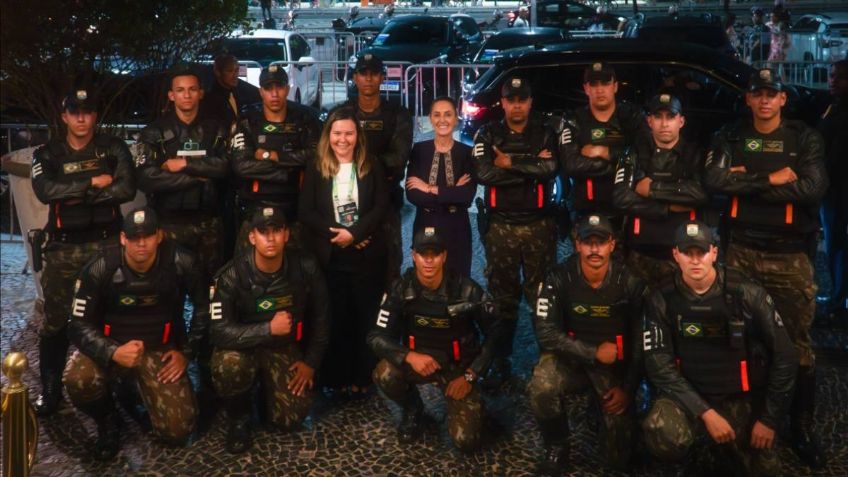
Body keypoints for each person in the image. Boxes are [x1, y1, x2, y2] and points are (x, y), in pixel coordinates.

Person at [704, 68, 828, 469]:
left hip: (789, 255)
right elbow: (715, 180)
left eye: (771, 94)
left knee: (797, 345)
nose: (764, 100)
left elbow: (812, 187)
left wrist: (746, 179)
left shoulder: (803, 137)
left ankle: (801, 424)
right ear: (748, 99)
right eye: (757, 94)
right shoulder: (731, 136)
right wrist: (769, 178)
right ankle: (749, 417)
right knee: (740, 338)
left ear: (782, 100)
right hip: (740, 251)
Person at [641, 221, 798, 475]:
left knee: (766, 469)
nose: (695, 261)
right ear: (675, 255)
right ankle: (691, 453)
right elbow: (658, 365)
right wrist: (706, 413)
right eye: (687, 253)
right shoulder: (660, 298)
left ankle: (725, 450)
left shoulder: (747, 293)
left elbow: (786, 356)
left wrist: (769, 420)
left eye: (701, 252)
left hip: (739, 397)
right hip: (689, 398)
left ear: (713, 253)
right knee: (661, 429)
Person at [63, 207, 206, 460]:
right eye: (133, 237)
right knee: (78, 379)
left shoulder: (181, 262)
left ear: (159, 236)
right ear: (122, 238)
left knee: (177, 430)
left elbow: (205, 309)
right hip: (110, 346)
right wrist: (112, 351)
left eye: (148, 236)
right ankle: (107, 419)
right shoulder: (100, 267)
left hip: (160, 350)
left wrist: (186, 352)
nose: (141, 243)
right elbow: (76, 323)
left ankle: (135, 389)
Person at [30, 88, 137, 416]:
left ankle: (121, 387)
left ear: (95, 115)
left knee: (113, 316)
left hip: (107, 244)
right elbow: (46, 191)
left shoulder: (112, 148)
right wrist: (93, 184)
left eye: (87, 112)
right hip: (64, 248)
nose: (81, 118)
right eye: (74, 112)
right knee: (56, 322)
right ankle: (51, 389)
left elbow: (126, 187)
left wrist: (76, 193)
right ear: (64, 116)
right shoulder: (47, 153)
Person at [529, 214, 646, 476]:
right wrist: (592, 352)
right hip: (570, 359)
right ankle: (557, 445)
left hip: (613, 370)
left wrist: (628, 388)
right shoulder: (557, 278)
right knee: (541, 386)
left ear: (612, 245)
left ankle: (608, 412)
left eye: (601, 242)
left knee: (619, 460)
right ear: (577, 245)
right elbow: (545, 333)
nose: (594, 249)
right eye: (588, 242)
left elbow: (641, 343)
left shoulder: (630, 283)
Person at [367, 227, 504, 451]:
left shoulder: (467, 290)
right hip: (419, 363)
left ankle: (479, 411)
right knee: (384, 373)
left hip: (458, 369)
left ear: (444, 256)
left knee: (466, 441)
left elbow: (496, 331)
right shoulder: (400, 290)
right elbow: (375, 337)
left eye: (435, 254)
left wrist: (471, 375)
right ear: (413, 256)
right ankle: (413, 410)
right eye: (423, 254)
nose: (429, 261)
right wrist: (409, 356)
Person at [209, 206, 330, 453]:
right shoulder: (232, 275)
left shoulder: (305, 266)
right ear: (252, 237)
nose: (271, 238)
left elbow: (322, 318)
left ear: (287, 234)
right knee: (228, 366)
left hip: (282, 348)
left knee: (291, 419)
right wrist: (267, 329)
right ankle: (239, 417)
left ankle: (267, 394)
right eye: (264, 232)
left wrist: (310, 363)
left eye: (277, 230)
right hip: (242, 350)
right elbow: (218, 331)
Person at [471, 77, 559, 383]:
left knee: (542, 297)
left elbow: (551, 169)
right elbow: (483, 173)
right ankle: (500, 358)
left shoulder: (545, 132)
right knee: (502, 298)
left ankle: (548, 358)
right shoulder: (488, 132)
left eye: (523, 99)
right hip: (501, 226)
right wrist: (530, 166)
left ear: (530, 102)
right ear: (503, 102)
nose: (517, 105)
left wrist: (510, 163)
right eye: (512, 99)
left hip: (539, 225)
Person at [298, 107, 389, 398]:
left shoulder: (371, 164)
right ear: (329, 136)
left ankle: (363, 377)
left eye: (349, 133)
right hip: (331, 254)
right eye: (337, 133)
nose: (343, 139)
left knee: (364, 317)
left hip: (365, 254)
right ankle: (336, 379)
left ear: (357, 136)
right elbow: (306, 212)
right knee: (335, 317)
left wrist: (357, 233)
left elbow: (380, 206)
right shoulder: (317, 166)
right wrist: (339, 234)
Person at [136, 67, 229, 284]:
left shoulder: (216, 129)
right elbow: (145, 178)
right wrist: (198, 176)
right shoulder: (154, 132)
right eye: (180, 90)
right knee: (169, 292)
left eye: (192, 89)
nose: (186, 95)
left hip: (209, 224)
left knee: (209, 292)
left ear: (200, 93)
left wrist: (184, 164)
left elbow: (225, 167)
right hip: (168, 224)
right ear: (171, 95)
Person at [613, 94, 708, 286]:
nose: (664, 124)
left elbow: (700, 194)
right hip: (639, 253)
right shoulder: (635, 152)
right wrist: (667, 208)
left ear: (681, 121)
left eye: (670, 117)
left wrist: (652, 189)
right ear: (649, 121)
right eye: (658, 117)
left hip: (682, 255)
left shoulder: (694, 154)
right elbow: (621, 196)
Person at [335, 54, 412, 287]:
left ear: (382, 77)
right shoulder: (340, 114)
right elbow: (329, 159)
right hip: (345, 204)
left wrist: (353, 160)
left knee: (389, 272)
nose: (368, 79)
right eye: (363, 73)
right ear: (355, 78)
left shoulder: (397, 114)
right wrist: (378, 163)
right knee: (346, 272)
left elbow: (399, 160)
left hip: (385, 203)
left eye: (374, 73)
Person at [231, 64, 322, 255]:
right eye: (268, 88)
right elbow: (242, 166)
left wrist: (270, 155)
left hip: (295, 211)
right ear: (261, 91)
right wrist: (289, 170)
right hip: (256, 209)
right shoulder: (247, 121)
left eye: (279, 87)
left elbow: (315, 157)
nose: (274, 94)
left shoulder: (305, 119)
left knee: (299, 274)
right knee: (249, 274)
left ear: (287, 89)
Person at [560, 63, 647, 231]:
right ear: (586, 88)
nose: (599, 90)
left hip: (627, 214)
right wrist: (624, 165)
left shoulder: (632, 117)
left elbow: (644, 158)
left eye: (605, 83)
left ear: (615, 86)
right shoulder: (574, 120)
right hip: (586, 214)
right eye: (594, 84)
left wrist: (604, 152)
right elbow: (572, 165)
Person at [406, 97, 476, 277]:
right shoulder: (419, 150)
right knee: (425, 281)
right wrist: (452, 192)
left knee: (458, 280)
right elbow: (413, 195)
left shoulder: (466, 153)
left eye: (448, 115)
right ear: (430, 118)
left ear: (456, 118)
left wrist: (429, 188)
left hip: (457, 227)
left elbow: (467, 196)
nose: (442, 120)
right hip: (425, 224)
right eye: (437, 115)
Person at [818, 60, 848, 322]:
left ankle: (839, 300)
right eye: (831, 76)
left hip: (837, 189)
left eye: (839, 78)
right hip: (834, 188)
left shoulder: (841, 112)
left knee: (837, 244)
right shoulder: (834, 107)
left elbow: (835, 156)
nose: (832, 81)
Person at [199, 54, 262, 130]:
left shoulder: (241, 90)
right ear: (217, 72)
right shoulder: (210, 100)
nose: (235, 75)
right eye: (230, 71)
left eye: (236, 70)